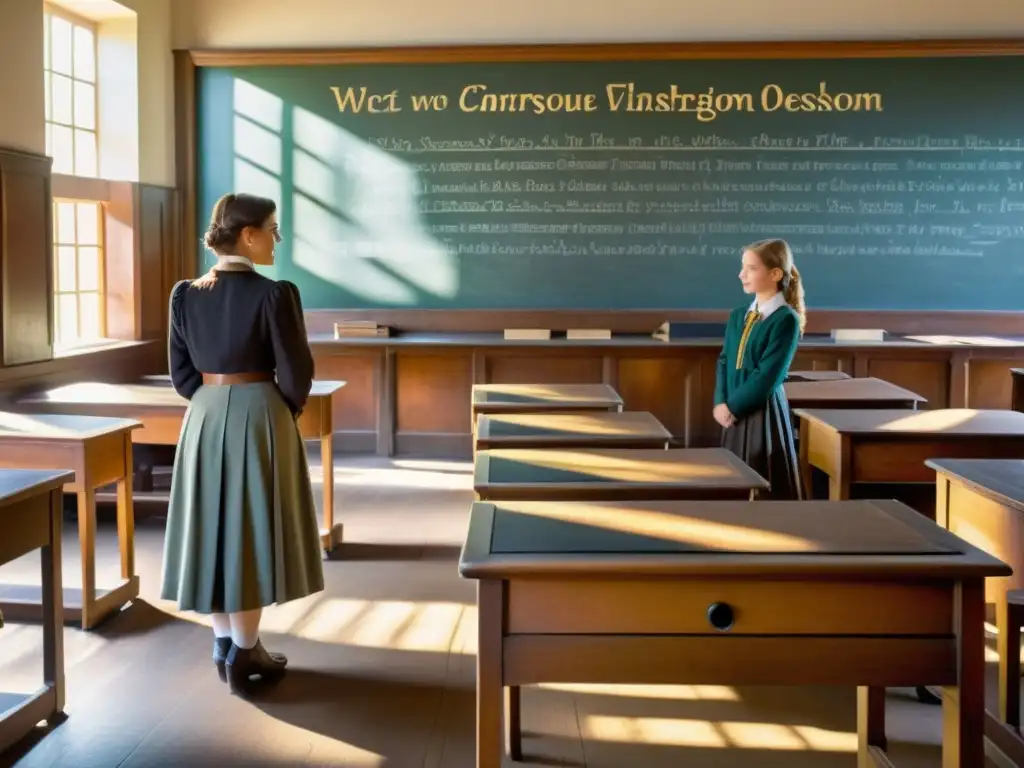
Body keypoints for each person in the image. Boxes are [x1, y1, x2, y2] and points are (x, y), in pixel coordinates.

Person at [160, 192, 325, 697]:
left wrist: (213, 402)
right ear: (247, 235)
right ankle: (246, 651)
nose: (277, 238)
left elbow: (181, 374)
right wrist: (277, 411)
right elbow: (297, 374)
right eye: (273, 229)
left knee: (211, 528)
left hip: (204, 413)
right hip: (261, 414)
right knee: (249, 531)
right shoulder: (277, 294)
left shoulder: (184, 294)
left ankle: (224, 644)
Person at [712, 238, 806, 500]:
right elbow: (724, 360)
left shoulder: (785, 319)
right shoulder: (738, 314)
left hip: (762, 416)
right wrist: (720, 402)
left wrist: (733, 407)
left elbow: (767, 376)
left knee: (763, 485)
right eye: (743, 267)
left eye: (751, 268)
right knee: (733, 485)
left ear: (775, 274)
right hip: (731, 412)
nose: (741, 274)